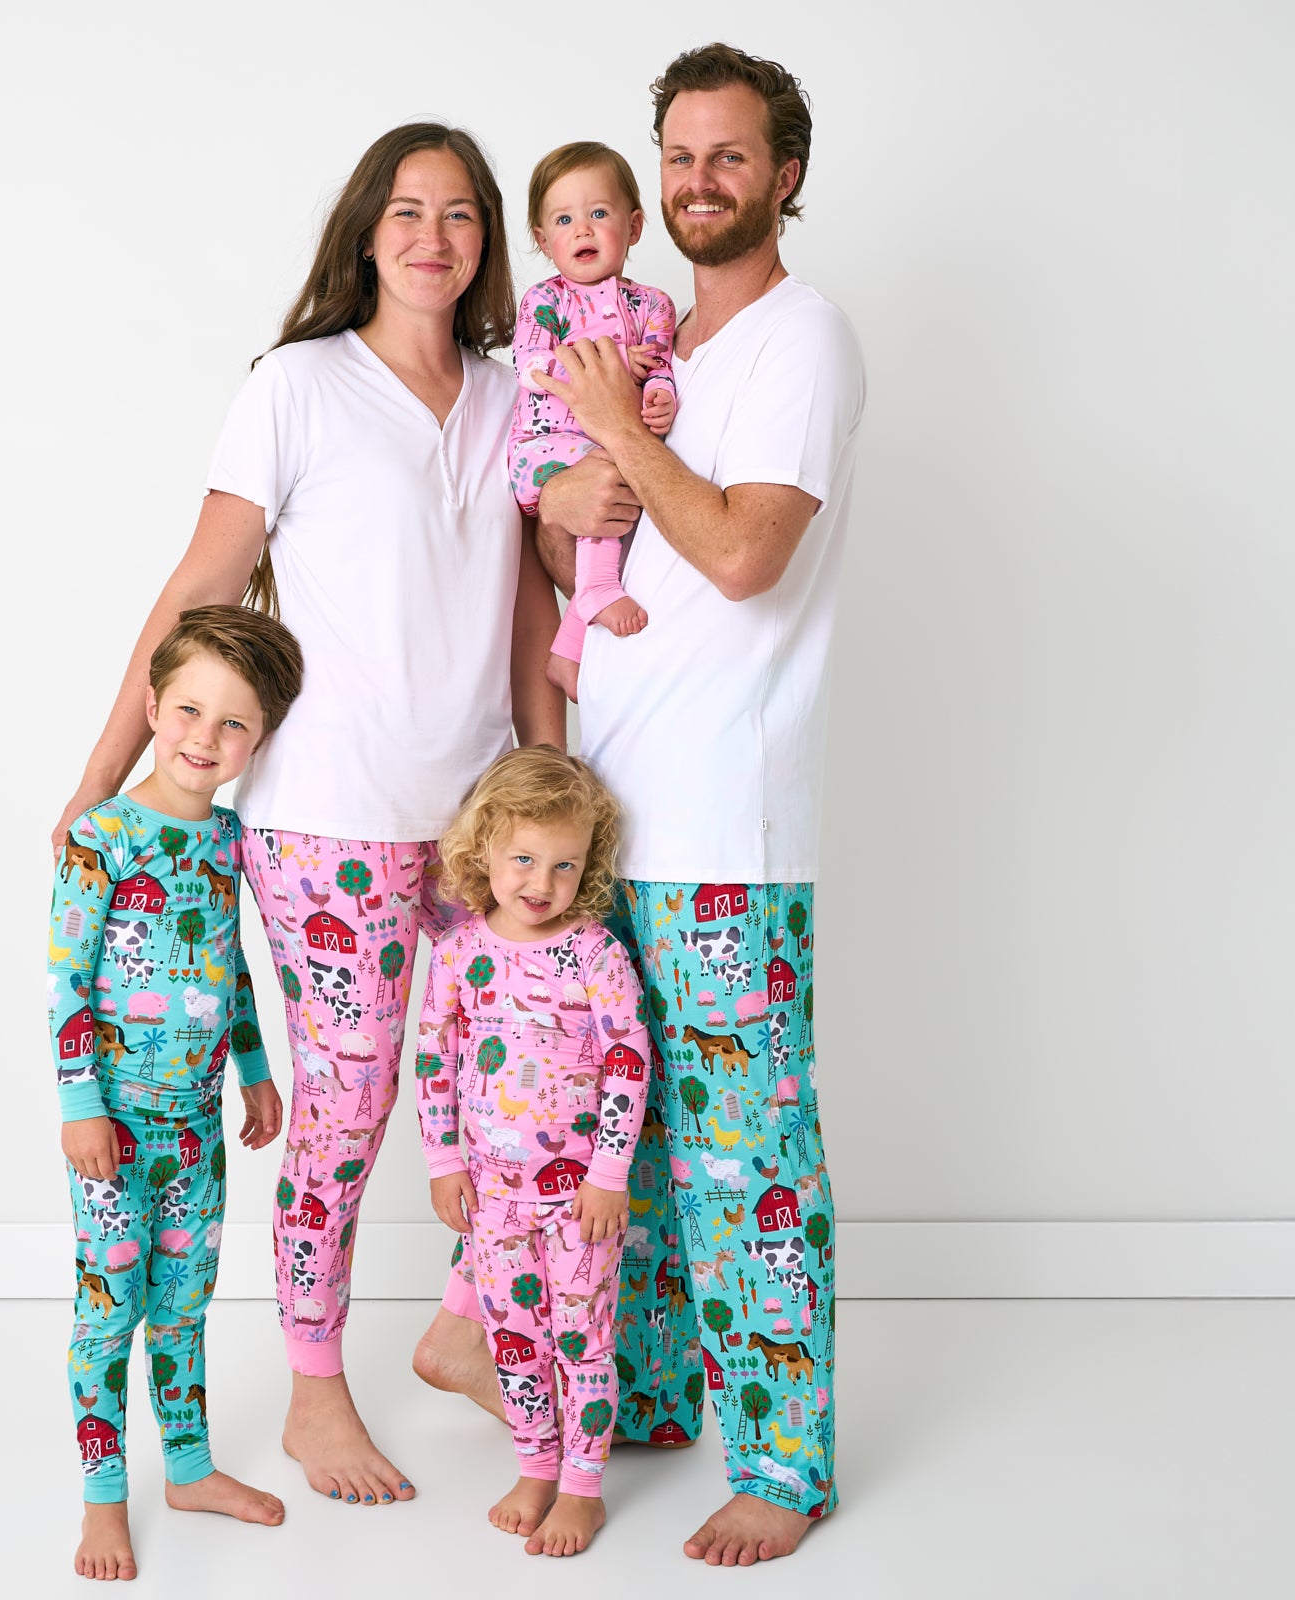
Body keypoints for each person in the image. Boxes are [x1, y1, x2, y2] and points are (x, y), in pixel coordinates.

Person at [54, 121, 563, 1512]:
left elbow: (531, 612)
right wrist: (102, 773)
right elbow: (198, 589)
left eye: (460, 214)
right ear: (365, 232)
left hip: (480, 820)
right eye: (406, 211)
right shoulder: (297, 384)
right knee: (348, 1106)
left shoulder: (516, 399)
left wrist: (553, 782)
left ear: (486, 243)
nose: (433, 237)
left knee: (527, 1079)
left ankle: (464, 1327)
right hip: (329, 823)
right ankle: (314, 1388)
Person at [414, 45, 866, 1567]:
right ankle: (654, 1400)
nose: (696, 181)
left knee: (747, 1162)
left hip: (728, 829)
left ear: (785, 173)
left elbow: (741, 555)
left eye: (729, 156)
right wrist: (562, 505)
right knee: (637, 1159)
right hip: (607, 831)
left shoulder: (800, 338)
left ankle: (784, 1467)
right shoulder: (656, 333)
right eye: (678, 155)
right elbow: (593, 552)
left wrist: (615, 433)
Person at [50, 605, 305, 1581]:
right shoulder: (101, 835)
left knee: (185, 1301)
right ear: (153, 707)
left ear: (258, 739)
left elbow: (228, 965)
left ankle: (189, 1469)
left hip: (196, 1129)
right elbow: (66, 982)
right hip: (114, 1127)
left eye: (233, 723)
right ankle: (103, 1497)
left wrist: (254, 1069)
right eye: (190, 710)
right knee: (109, 1309)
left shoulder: (227, 839)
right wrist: (80, 1106)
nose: (206, 737)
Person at [415, 748, 648, 1557]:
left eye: (563, 864)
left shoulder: (594, 953)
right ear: (485, 847)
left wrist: (609, 1173)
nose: (541, 882)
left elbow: (628, 1059)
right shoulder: (458, 952)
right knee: (514, 1337)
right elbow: (434, 1060)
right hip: (492, 1197)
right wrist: (444, 1163)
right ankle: (536, 1466)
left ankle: (583, 1487)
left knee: (582, 1339)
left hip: (580, 1199)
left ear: (588, 864)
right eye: (523, 858)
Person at [507, 142, 677, 697]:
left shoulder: (653, 305)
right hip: (546, 448)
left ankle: (568, 652)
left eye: (599, 213)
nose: (582, 229)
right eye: (564, 220)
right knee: (616, 468)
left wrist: (659, 394)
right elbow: (532, 367)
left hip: (610, 446)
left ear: (634, 226)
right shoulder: (545, 301)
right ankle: (599, 587)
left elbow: (661, 365)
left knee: (644, 504)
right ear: (543, 241)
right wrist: (613, 358)